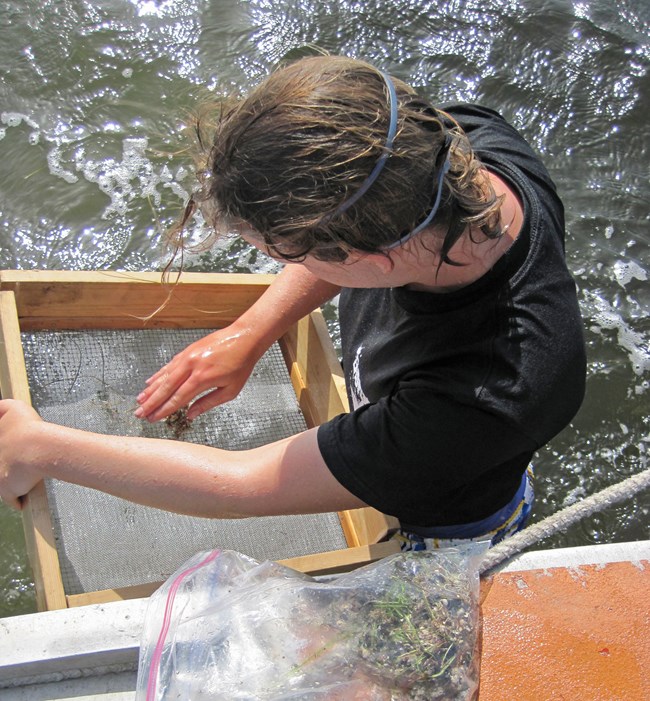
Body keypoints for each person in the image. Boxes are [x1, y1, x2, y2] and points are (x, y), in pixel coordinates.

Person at [0, 55, 585, 550]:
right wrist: (252, 332)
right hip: (417, 431)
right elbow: (378, 211)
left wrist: (42, 447)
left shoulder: (483, 398)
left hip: (441, 525)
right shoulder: (452, 145)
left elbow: (242, 481)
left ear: (369, 261)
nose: (288, 269)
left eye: (292, 255)